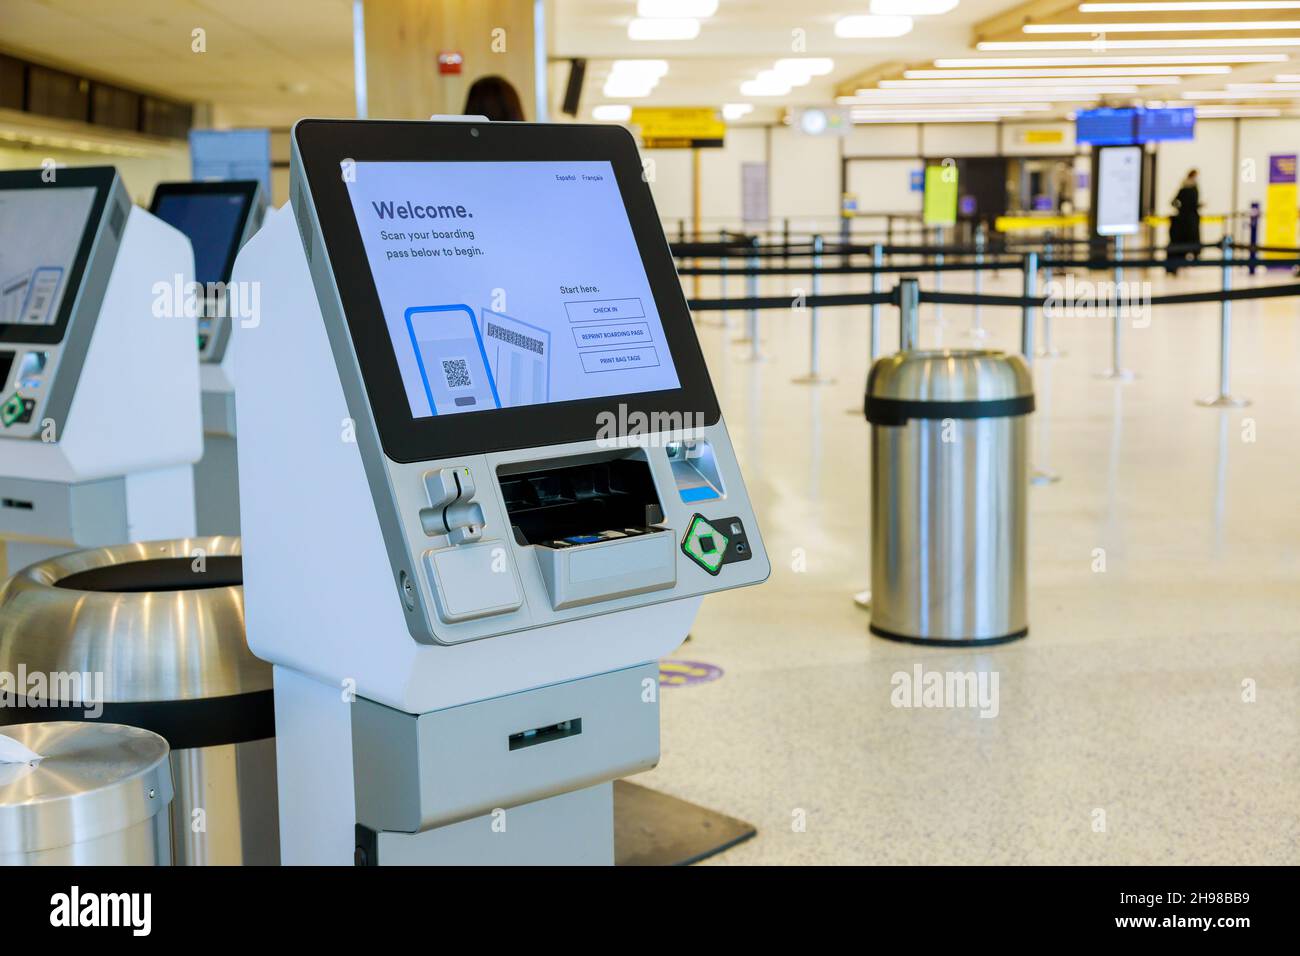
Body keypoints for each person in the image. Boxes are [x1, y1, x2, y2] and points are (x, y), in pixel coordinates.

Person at [1166, 169, 1201, 275]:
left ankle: (1174, 267)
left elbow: (1174, 202)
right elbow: (1192, 204)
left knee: (1179, 246)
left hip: (1182, 221)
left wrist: (1181, 208)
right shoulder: (1193, 188)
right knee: (1187, 244)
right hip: (1189, 222)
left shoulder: (1184, 188)